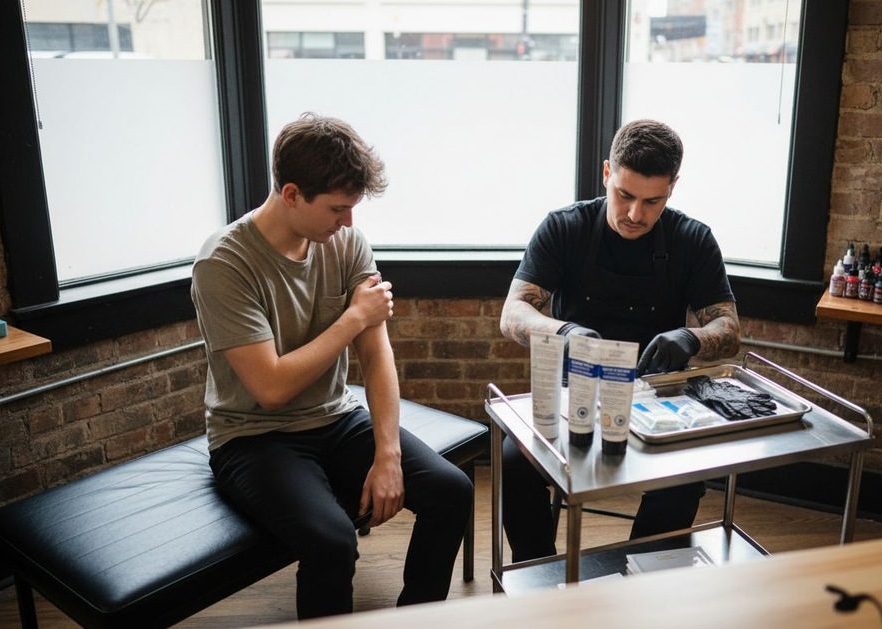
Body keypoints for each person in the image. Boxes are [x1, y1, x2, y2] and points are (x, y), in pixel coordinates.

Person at [190, 113, 473, 619]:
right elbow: (270, 389)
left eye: (352, 209)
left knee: (452, 491)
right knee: (332, 542)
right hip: (253, 436)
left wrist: (388, 453)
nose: (348, 223)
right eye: (337, 209)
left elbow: (375, 352)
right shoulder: (224, 264)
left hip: (337, 417)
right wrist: (352, 319)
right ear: (292, 193)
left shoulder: (345, 241)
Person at [498, 119, 741, 561]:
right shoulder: (564, 228)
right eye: (625, 195)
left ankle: (639, 574)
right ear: (607, 173)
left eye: (653, 201)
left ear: (673, 188)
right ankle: (536, 571)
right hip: (575, 391)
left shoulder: (693, 239)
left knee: (685, 479)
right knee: (514, 464)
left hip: (659, 396)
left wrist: (689, 338)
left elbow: (729, 329)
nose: (635, 214)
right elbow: (512, 313)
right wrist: (565, 333)